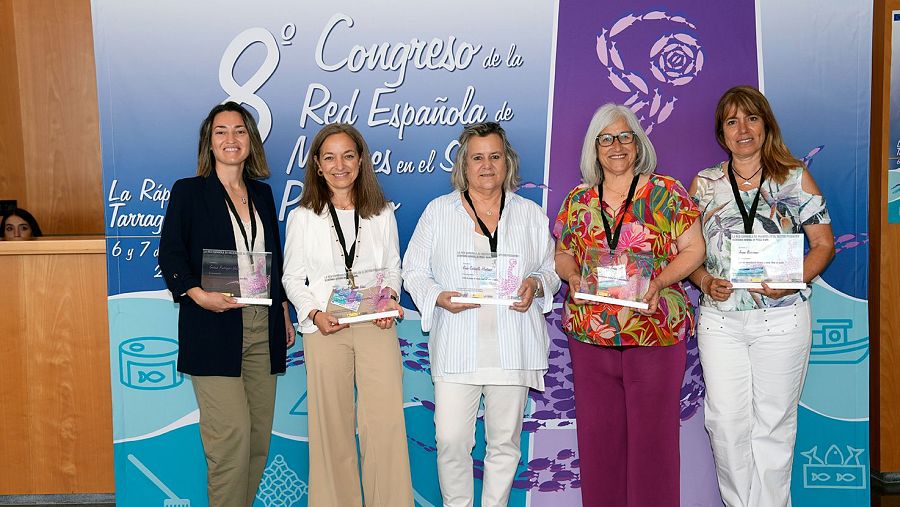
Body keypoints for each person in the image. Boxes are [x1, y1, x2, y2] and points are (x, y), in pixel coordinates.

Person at [688, 85, 834, 506]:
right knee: (725, 424)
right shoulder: (705, 183)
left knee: (773, 425)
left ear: (766, 125)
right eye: (732, 121)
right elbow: (687, 252)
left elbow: (823, 244)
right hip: (721, 321)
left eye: (751, 118)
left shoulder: (794, 176)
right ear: (722, 133)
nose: (743, 129)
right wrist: (703, 280)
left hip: (782, 319)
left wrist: (794, 279)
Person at [553, 103, 705, 507]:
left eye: (624, 137)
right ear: (594, 148)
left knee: (654, 446)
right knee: (598, 445)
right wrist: (571, 275)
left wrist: (660, 281)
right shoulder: (578, 199)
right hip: (591, 337)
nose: (616, 146)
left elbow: (694, 250)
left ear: (638, 144)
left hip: (654, 333)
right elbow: (563, 254)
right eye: (606, 139)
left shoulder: (667, 192)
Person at [403, 122, 560, 507]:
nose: (487, 165)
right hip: (458, 347)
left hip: (513, 346)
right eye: (477, 158)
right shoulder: (438, 212)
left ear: (508, 162)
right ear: (464, 165)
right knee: (451, 440)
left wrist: (536, 284)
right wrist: (438, 296)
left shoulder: (529, 214)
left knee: (504, 443)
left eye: (495, 156)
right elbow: (413, 271)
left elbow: (551, 269)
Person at [158, 101, 295, 507]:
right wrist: (197, 294)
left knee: (256, 439)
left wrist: (283, 310)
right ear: (209, 141)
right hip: (212, 324)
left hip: (263, 325)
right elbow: (171, 254)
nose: (230, 138)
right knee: (230, 437)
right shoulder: (189, 191)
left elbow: (273, 259)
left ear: (250, 141)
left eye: (239, 130)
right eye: (221, 131)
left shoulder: (262, 194)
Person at [282, 123, 412, 506]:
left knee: (385, 424)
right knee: (332, 429)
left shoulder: (382, 212)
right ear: (317, 165)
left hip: (375, 323)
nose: (340, 165)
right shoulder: (303, 217)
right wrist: (313, 313)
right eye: (330, 157)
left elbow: (393, 268)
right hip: (327, 327)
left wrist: (389, 298)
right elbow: (292, 277)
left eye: (348, 156)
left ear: (360, 161)